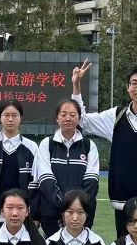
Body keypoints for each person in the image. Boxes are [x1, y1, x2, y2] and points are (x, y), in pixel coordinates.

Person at [71, 62, 137, 238]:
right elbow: (83, 121)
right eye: (134, 83)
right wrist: (76, 85)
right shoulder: (116, 116)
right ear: (128, 87)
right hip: (123, 200)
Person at [31, 98, 100, 236]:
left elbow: (92, 182)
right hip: (52, 216)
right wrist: (65, 206)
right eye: (63, 114)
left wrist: (76, 209)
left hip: (82, 216)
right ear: (57, 118)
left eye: (73, 115)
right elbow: (45, 180)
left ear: (79, 118)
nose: (68, 118)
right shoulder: (47, 144)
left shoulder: (88, 145)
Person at [0, 100, 38, 231]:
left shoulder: (32, 147)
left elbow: (35, 184)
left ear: (21, 118)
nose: (10, 119)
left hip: (22, 218)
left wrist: (34, 214)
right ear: (0, 117)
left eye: (14, 115)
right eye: (6, 115)